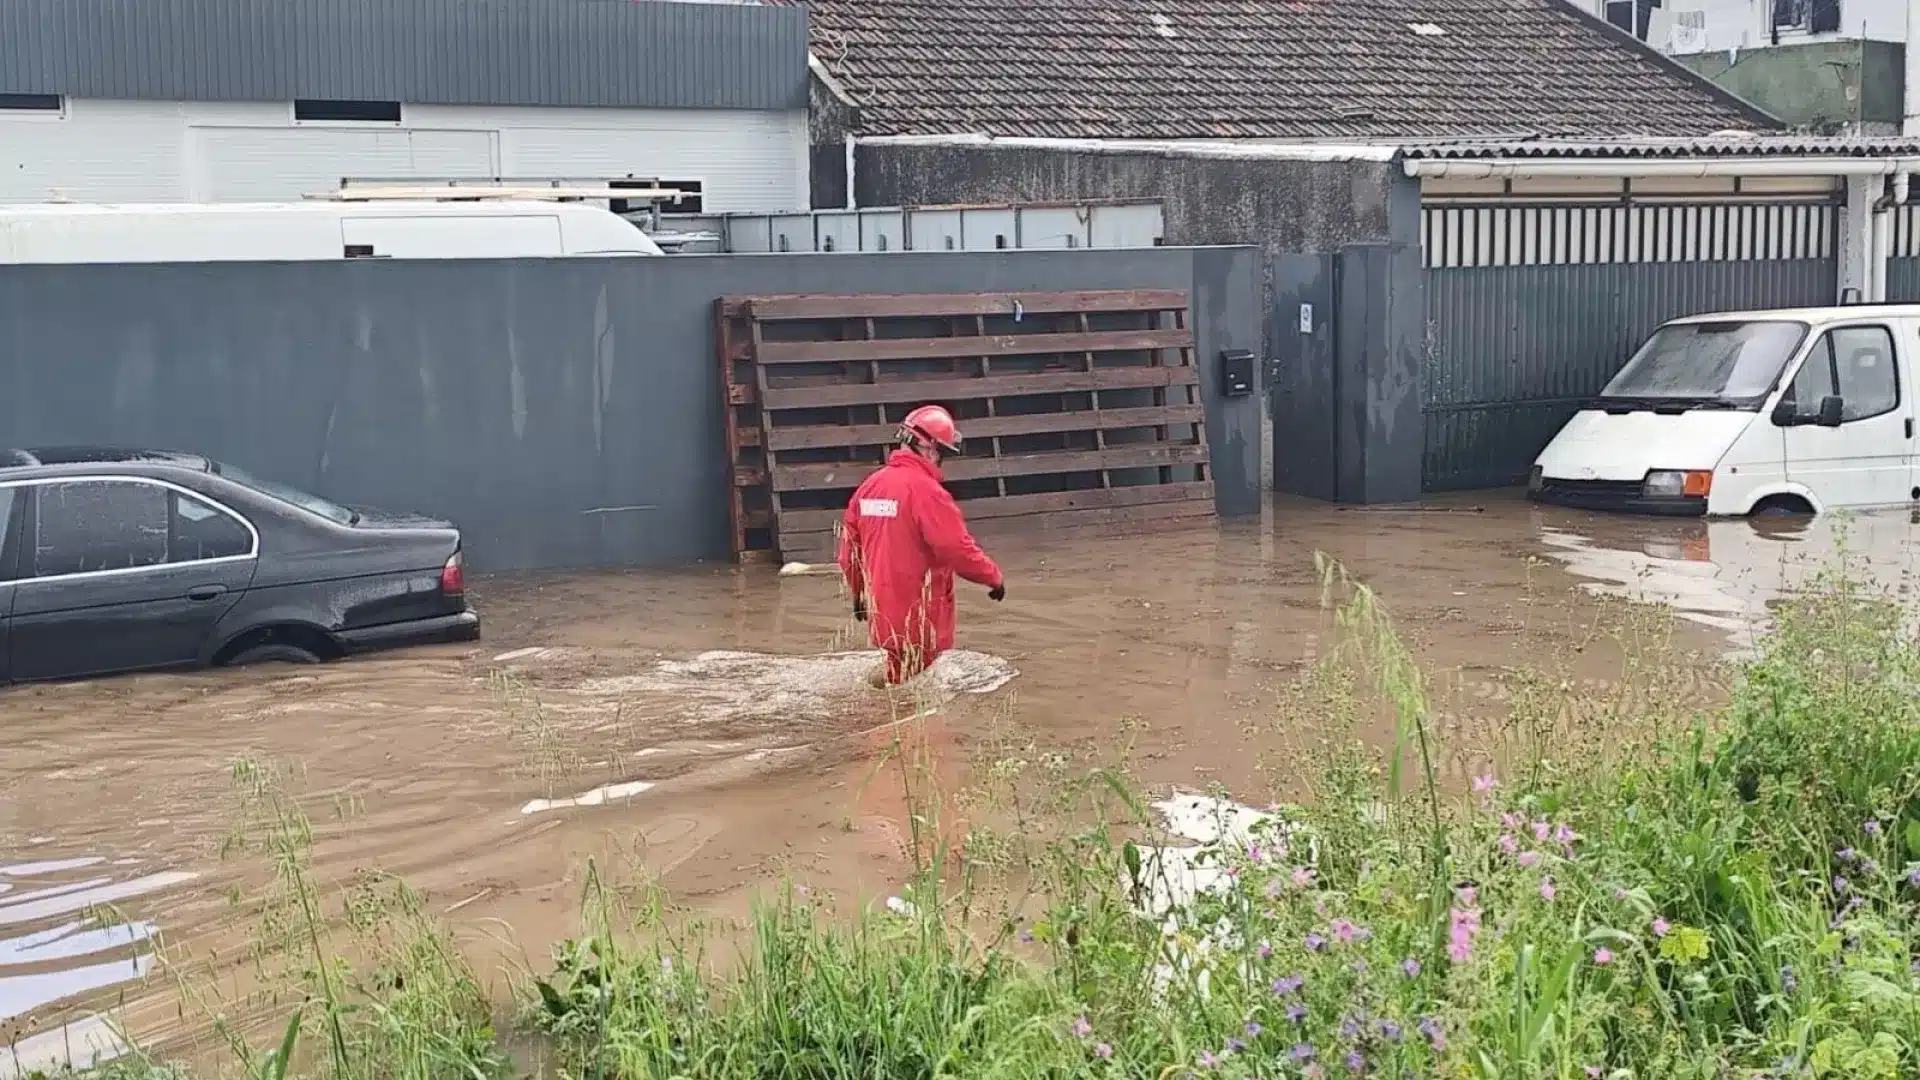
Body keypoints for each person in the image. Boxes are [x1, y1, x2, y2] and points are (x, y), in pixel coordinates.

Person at [837, 404, 1004, 687]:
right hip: (922, 617)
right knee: (921, 694)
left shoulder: (869, 487)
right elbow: (956, 548)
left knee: (896, 683)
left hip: (884, 615)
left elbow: (848, 554)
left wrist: (859, 594)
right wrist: (993, 577)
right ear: (930, 449)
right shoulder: (927, 493)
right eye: (941, 454)